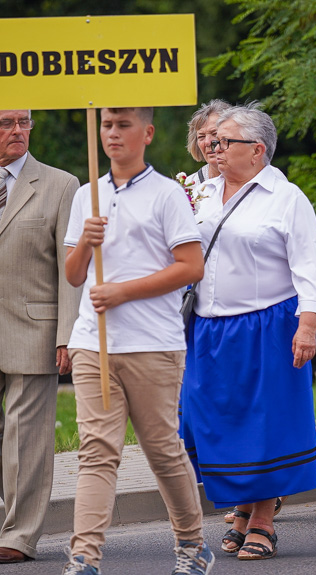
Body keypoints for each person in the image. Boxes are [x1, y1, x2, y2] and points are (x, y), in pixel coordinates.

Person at [63, 107, 213, 575]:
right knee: (96, 452)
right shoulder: (87, 194)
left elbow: (191, 267)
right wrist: (87, 241)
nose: (113, 133)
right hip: (93, 343)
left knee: (162, 449)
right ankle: (84, 556)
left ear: (146, 133)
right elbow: (72, 276)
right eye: (106, 125)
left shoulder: (167, 194)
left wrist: (123, 291)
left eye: (123, 124)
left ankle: (192, 546)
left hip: (153, 344)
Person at [180, 103, 316, 561]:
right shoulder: (198, 194)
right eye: (213, 141)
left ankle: (262, 518)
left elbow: (308, 269)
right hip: (207, 326)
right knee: (209, 421)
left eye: (225, 142)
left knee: (267, 423)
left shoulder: (286, 198)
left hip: (268, 324)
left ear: (257, 150)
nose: (214, 148)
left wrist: (307, 327)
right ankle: (242, 504)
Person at [0, 110, 80, 563]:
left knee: (25, 438)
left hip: (35, 327)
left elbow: (67, 270)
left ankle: (19, 535)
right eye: (5, 122)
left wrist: (67, 333)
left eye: (24, 122)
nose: (17, 131)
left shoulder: (60, 185)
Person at [184, 99, 230, 186]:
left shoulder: (253, 179)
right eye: (201, 137)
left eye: (215, 133)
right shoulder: (189, 186)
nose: (208, 142)